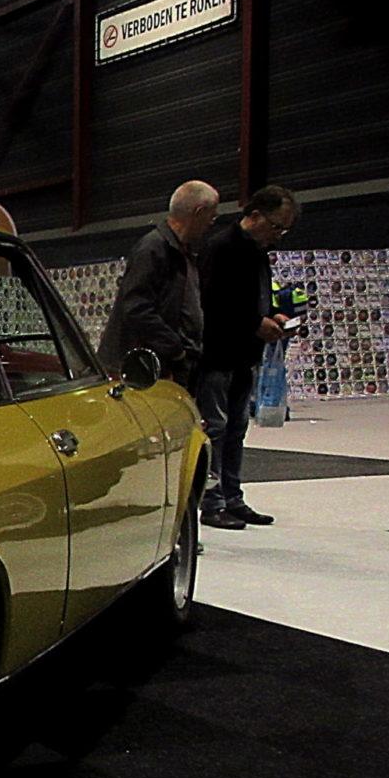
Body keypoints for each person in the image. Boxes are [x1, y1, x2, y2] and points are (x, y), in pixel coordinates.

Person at [195, 185, 299, 530]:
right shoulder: (220, 248)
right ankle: (211, 502)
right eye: (276, 226)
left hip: (244, 355)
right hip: (217, 355)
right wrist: (256, 323)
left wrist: (273, 315)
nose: (278, 235)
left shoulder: (258, 251)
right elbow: (212, 304)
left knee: (237, 429)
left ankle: (232, 497)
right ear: (254, 215)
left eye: (284, 230)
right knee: (215, 429)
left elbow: (254, 297)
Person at [97, 180, 220, 383]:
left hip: (171, 364)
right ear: (198, 212)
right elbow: (136, 308)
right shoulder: (153, 249)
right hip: (144, 369)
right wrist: (175, 349)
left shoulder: (183, 252)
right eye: (212, 216)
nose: (211, 223)